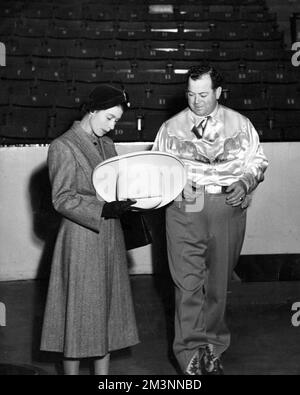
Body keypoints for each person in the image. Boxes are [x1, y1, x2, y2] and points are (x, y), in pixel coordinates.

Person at [152, 64, 268, 375]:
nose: (196, 101)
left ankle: (213, 349)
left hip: (226, 203)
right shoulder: (171, 127)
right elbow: (157, 166)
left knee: (218, 283)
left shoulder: (240, 124)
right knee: (187, 283)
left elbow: (257, 160)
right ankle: (189, 354)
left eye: (204, 94)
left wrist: (245, 182)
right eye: (191, 94)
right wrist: (172, 183)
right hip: (186, 203)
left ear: (217, 92)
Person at [40, 84, 139, 375]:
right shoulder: (63, 146)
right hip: (81, 238)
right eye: (109, 117)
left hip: (110, 237)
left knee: (105, 316)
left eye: (116, 121)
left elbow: (116, 186)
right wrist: (102, 208)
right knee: (78, 318)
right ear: (92, 111)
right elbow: (62, 198)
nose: (112, 125)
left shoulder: (108, 144)